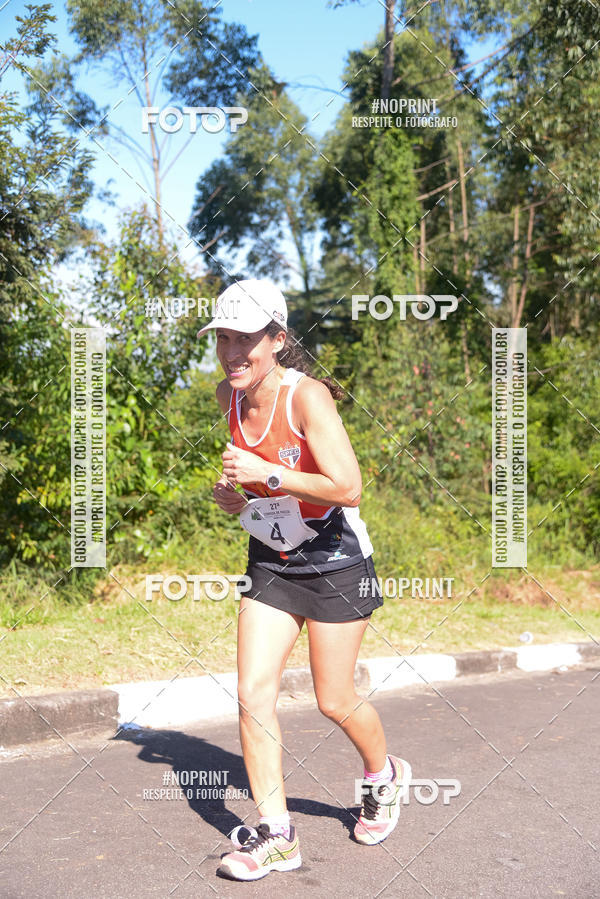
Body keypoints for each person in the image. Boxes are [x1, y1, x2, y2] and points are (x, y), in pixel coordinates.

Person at [198, 279, 412, 882]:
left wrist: (267, 471)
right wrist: (237, 501)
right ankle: (277, 837)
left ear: (277, 340)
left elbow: (347, 488)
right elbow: (265, 492)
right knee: (252, 693)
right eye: (224, 338)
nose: (233, 352)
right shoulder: (228, 397)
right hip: (271, 559)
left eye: (246, 339)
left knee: (333, 699)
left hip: (336, 558)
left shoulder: (308, 397)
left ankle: (383, 775)